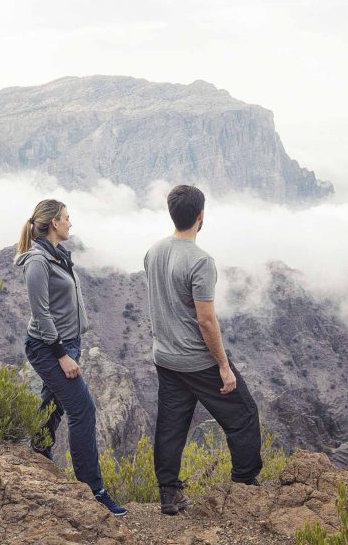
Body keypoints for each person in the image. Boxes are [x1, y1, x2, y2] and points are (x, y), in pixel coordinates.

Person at [143, 185, 263, 516]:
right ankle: (244, 486)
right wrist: (223, 366)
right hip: (197, 360)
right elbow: (206, 321)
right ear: (200, 216)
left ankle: (169, 494)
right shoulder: (200, 262)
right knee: (243, 415)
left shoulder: (153, 252)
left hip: (165, 357)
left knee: (170, 424)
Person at [15, 198, 127, 517]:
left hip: (68, 343)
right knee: (83, 410)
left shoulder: (58, 254)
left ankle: (37, 462)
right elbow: (41, 315)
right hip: (49, 347)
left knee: (51, 409)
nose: (70, 222)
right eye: (67, 217)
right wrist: (63, 355)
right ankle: (95, 490)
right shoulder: (37, 261)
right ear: (54, 223)